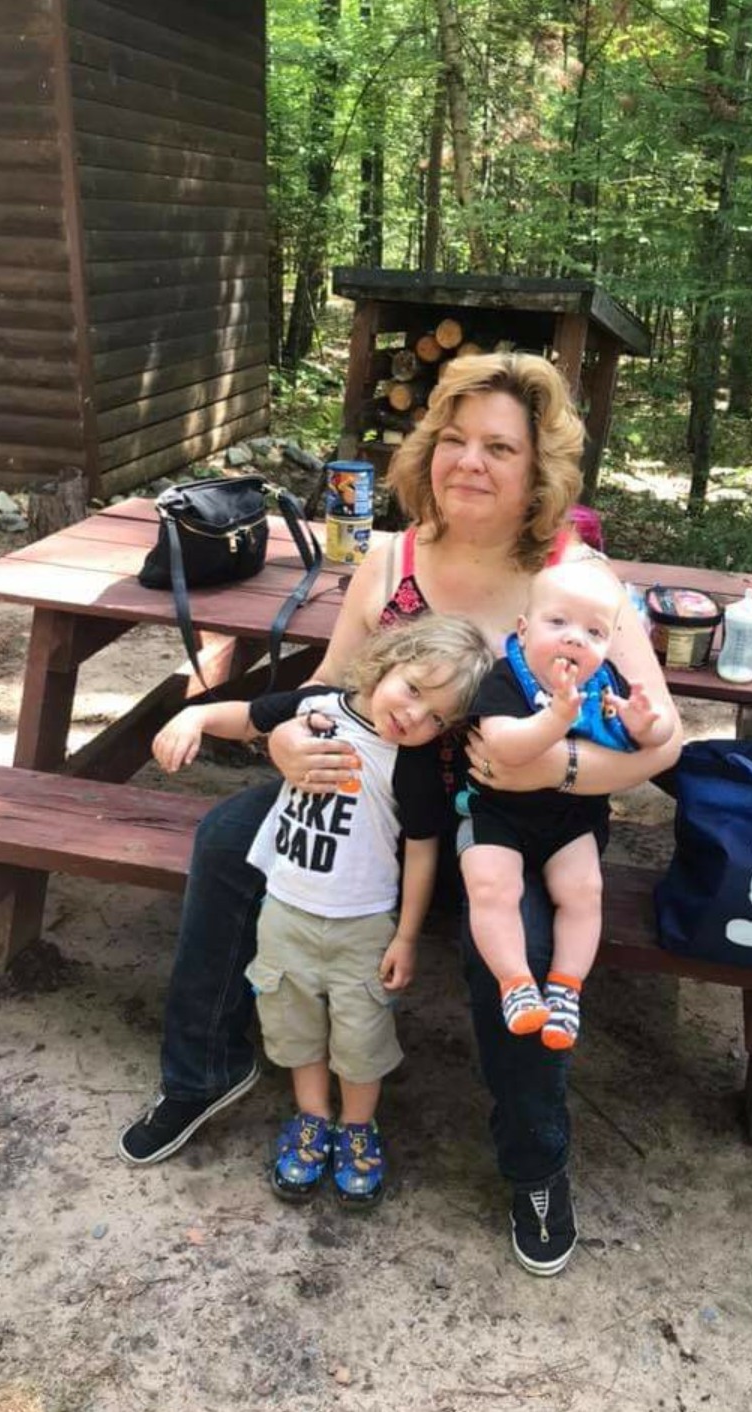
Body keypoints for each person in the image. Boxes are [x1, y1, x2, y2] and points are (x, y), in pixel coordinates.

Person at [119, 351, 682, 1277]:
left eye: (499, 447)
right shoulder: (393, 557)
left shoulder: (577, 581)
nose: (471, 462)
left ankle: (534, 1163)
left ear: (539, 468)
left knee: (528, 946)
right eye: (454, 439)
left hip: (521, 826)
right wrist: (285, 740)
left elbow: (663, 741)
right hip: (373, 801)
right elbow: (328, 686)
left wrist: (560, 767)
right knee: (226, 838)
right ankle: (204, 1071)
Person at [151, 614, 493, 1207]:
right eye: (413, 689)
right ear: (388, 661)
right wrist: (195, 716)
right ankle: (311, 1118)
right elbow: (250, 716)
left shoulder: (410, 764)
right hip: (285, 909)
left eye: (437, 718)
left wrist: (406, 937)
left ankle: (358, 1126)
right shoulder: (315, 708)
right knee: (294, 1024)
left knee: (361, 1035)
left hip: (363, 922)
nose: (414, 716)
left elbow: (422, 849)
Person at [460, 558, 674, 1049]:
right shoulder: (506, 678)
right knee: (491, 886)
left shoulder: (606, 683)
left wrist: (646, 726)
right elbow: (504, 747)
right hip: (498, 815)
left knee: (583, 892)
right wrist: (555, 719)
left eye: (594, 632)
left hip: (573, 818)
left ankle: (565, 988)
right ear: (524, 629)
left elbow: (659, 737)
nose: (575, 638)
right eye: (558, 622)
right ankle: (515, 983)